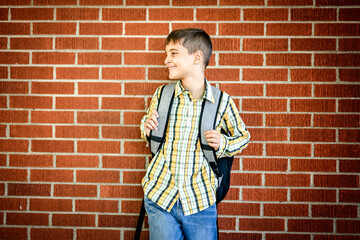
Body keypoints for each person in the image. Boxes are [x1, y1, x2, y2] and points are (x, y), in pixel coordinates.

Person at [140, 28, 250, 240]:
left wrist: (223, 143)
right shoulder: (162, 95)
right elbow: (148, 126)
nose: (166, 60)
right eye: (166, 54)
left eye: (173, 53)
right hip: (160, 196)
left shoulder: (221, 102)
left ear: (197, 57)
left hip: (199, 200)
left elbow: (243, 137)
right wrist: (146, 127)